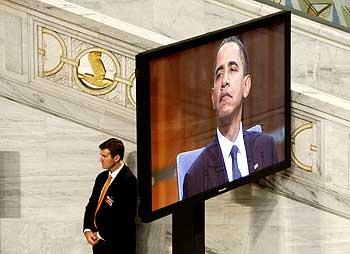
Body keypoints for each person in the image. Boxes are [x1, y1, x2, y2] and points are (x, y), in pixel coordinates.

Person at [182, 36, 278, 199]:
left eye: (232, 69)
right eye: (219, 74)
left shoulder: (267, 147)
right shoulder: (195, 177)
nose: (224, 81)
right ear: (213, 97)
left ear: (246, 85)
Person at [83, 138, 137, 254]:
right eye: (100, 155)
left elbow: (125, 219)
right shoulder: (102, 177)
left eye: (104, 156)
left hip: (118, 246)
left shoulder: (129, 181)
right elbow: (92, 204)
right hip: (99, 244)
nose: (100, 159)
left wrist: (100, 233)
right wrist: (87, 229)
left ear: (116, 158)